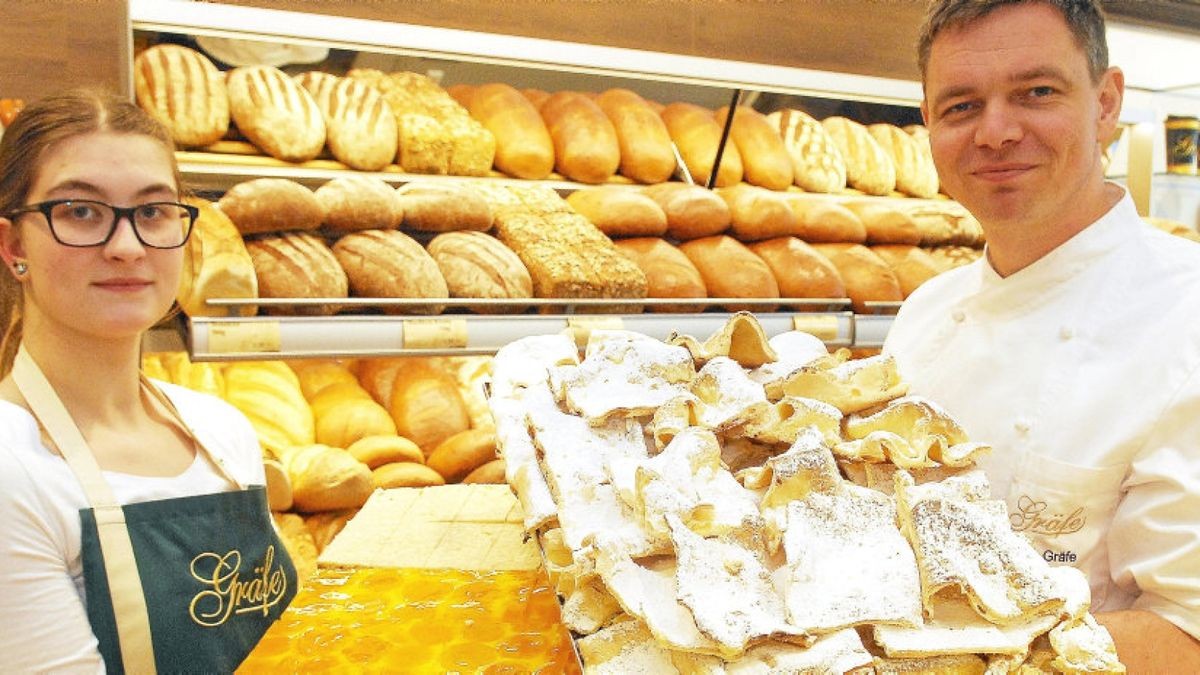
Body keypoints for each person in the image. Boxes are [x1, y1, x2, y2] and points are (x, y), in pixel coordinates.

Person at [885, 0, 1200, 668]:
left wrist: (918, 656)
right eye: (961, 106)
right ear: (929, 125)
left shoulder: (1187, 318)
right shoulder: (921, 317)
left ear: (1106, 102)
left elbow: (1187, 636)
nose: (995, 132)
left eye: (1036, 92)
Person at [0, 89, 296, 673]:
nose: (127, 247)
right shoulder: (12, 468)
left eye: (154, 212)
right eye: (81, 212)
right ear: (13, 246)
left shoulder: (221, 431)